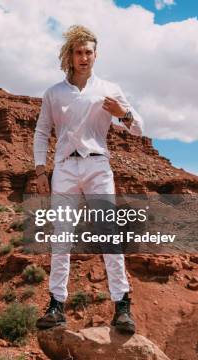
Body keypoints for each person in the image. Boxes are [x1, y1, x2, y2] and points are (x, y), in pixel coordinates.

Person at [32, 25, 144, 334]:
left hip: (98, 166)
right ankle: (56, 305)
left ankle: (122, 306)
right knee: (61, 237)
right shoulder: (54, 93)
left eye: (89, 52)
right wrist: (40, 170)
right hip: (65, 168)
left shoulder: (108, 88)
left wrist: (125, 114)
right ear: (70, 55)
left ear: (96, 55)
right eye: (79, 52)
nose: (84, 58)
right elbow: (42, 131)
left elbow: (138, 128)